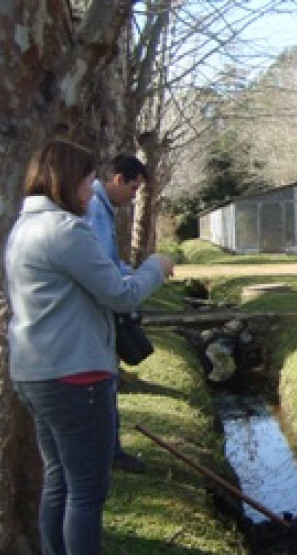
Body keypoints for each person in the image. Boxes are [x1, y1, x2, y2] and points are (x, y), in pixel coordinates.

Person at [7, 139, 172, 554]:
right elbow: (120, 294)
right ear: (66, 180)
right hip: (75, 375)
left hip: (36, 372)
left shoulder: (23, 228)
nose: (91, 186)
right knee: (86, 491)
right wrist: (156, 266)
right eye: (86, 177)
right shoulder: (66, 231)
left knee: (59, 479)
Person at [84, 154, 151, 474]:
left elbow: (109, 262)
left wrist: (132, 272)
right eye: (134, 189)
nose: (135, 197)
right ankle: (111, 453)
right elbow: (101, 271)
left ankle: (112, 450)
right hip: (95, 322)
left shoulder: (103, 210)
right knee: (105, 385)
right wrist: (143, 278)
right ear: (118, 180)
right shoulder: (96, 211)